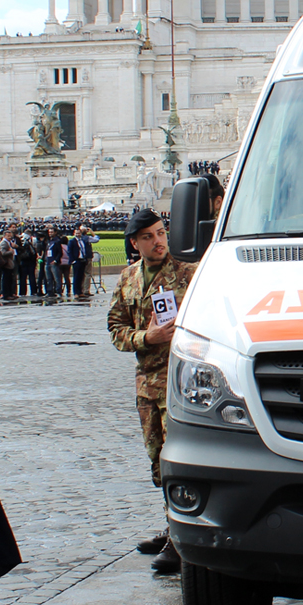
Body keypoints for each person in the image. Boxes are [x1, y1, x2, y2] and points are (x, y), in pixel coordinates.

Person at [107, 210, 198, 573]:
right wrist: (146, 337)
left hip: (180, 382)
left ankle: (181, 537)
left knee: (179, 460)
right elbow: (116, 327)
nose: (158, 241)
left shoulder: (188, 275)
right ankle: (171, 523)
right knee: (157, 459)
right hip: (146, 383)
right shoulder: (128, 278)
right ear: (135, 242)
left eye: (161, 233)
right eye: (148, 236)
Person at [68, 227, 93, 298]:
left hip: (83, 260)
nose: (78, 234)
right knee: (76, 277)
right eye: (76, 233)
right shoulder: (72, 241)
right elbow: (69, 251)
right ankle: (76, 292)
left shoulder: (82, 241)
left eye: (79, 233)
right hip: (76, 260)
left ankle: (80, 291)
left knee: (81, 277)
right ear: (74, 233)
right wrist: (72, 260)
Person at [0, 228, 17, 300]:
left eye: (10, 236)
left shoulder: (9, 242)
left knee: (10, 279)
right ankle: (6, 294)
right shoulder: (3, 243)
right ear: (4, 236)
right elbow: (3, 253)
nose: (10, 237)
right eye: (8, 236)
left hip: (9, 264)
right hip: (5, 264)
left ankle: (10, 293)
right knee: (6, 280)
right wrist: (11, 251)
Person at [17, 228, 38, 296]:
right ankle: (33, 291)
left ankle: (22, 292)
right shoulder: (33, 239)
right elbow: (35, 248)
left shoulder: (20, 238)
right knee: (32, 276)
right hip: (31, 259)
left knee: (23, 277)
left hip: (23, 259)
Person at [44, 226, 64, 297]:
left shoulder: (57, 241)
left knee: (57, 278)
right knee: (48, 278)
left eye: (52, 232)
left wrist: (56, 260)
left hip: (54, 262)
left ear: (55, 232)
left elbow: (60, 252)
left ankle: (58, 291)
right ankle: (50, 292)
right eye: (49, 232)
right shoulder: (49, 241)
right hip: (48, 261)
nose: (50, 233)